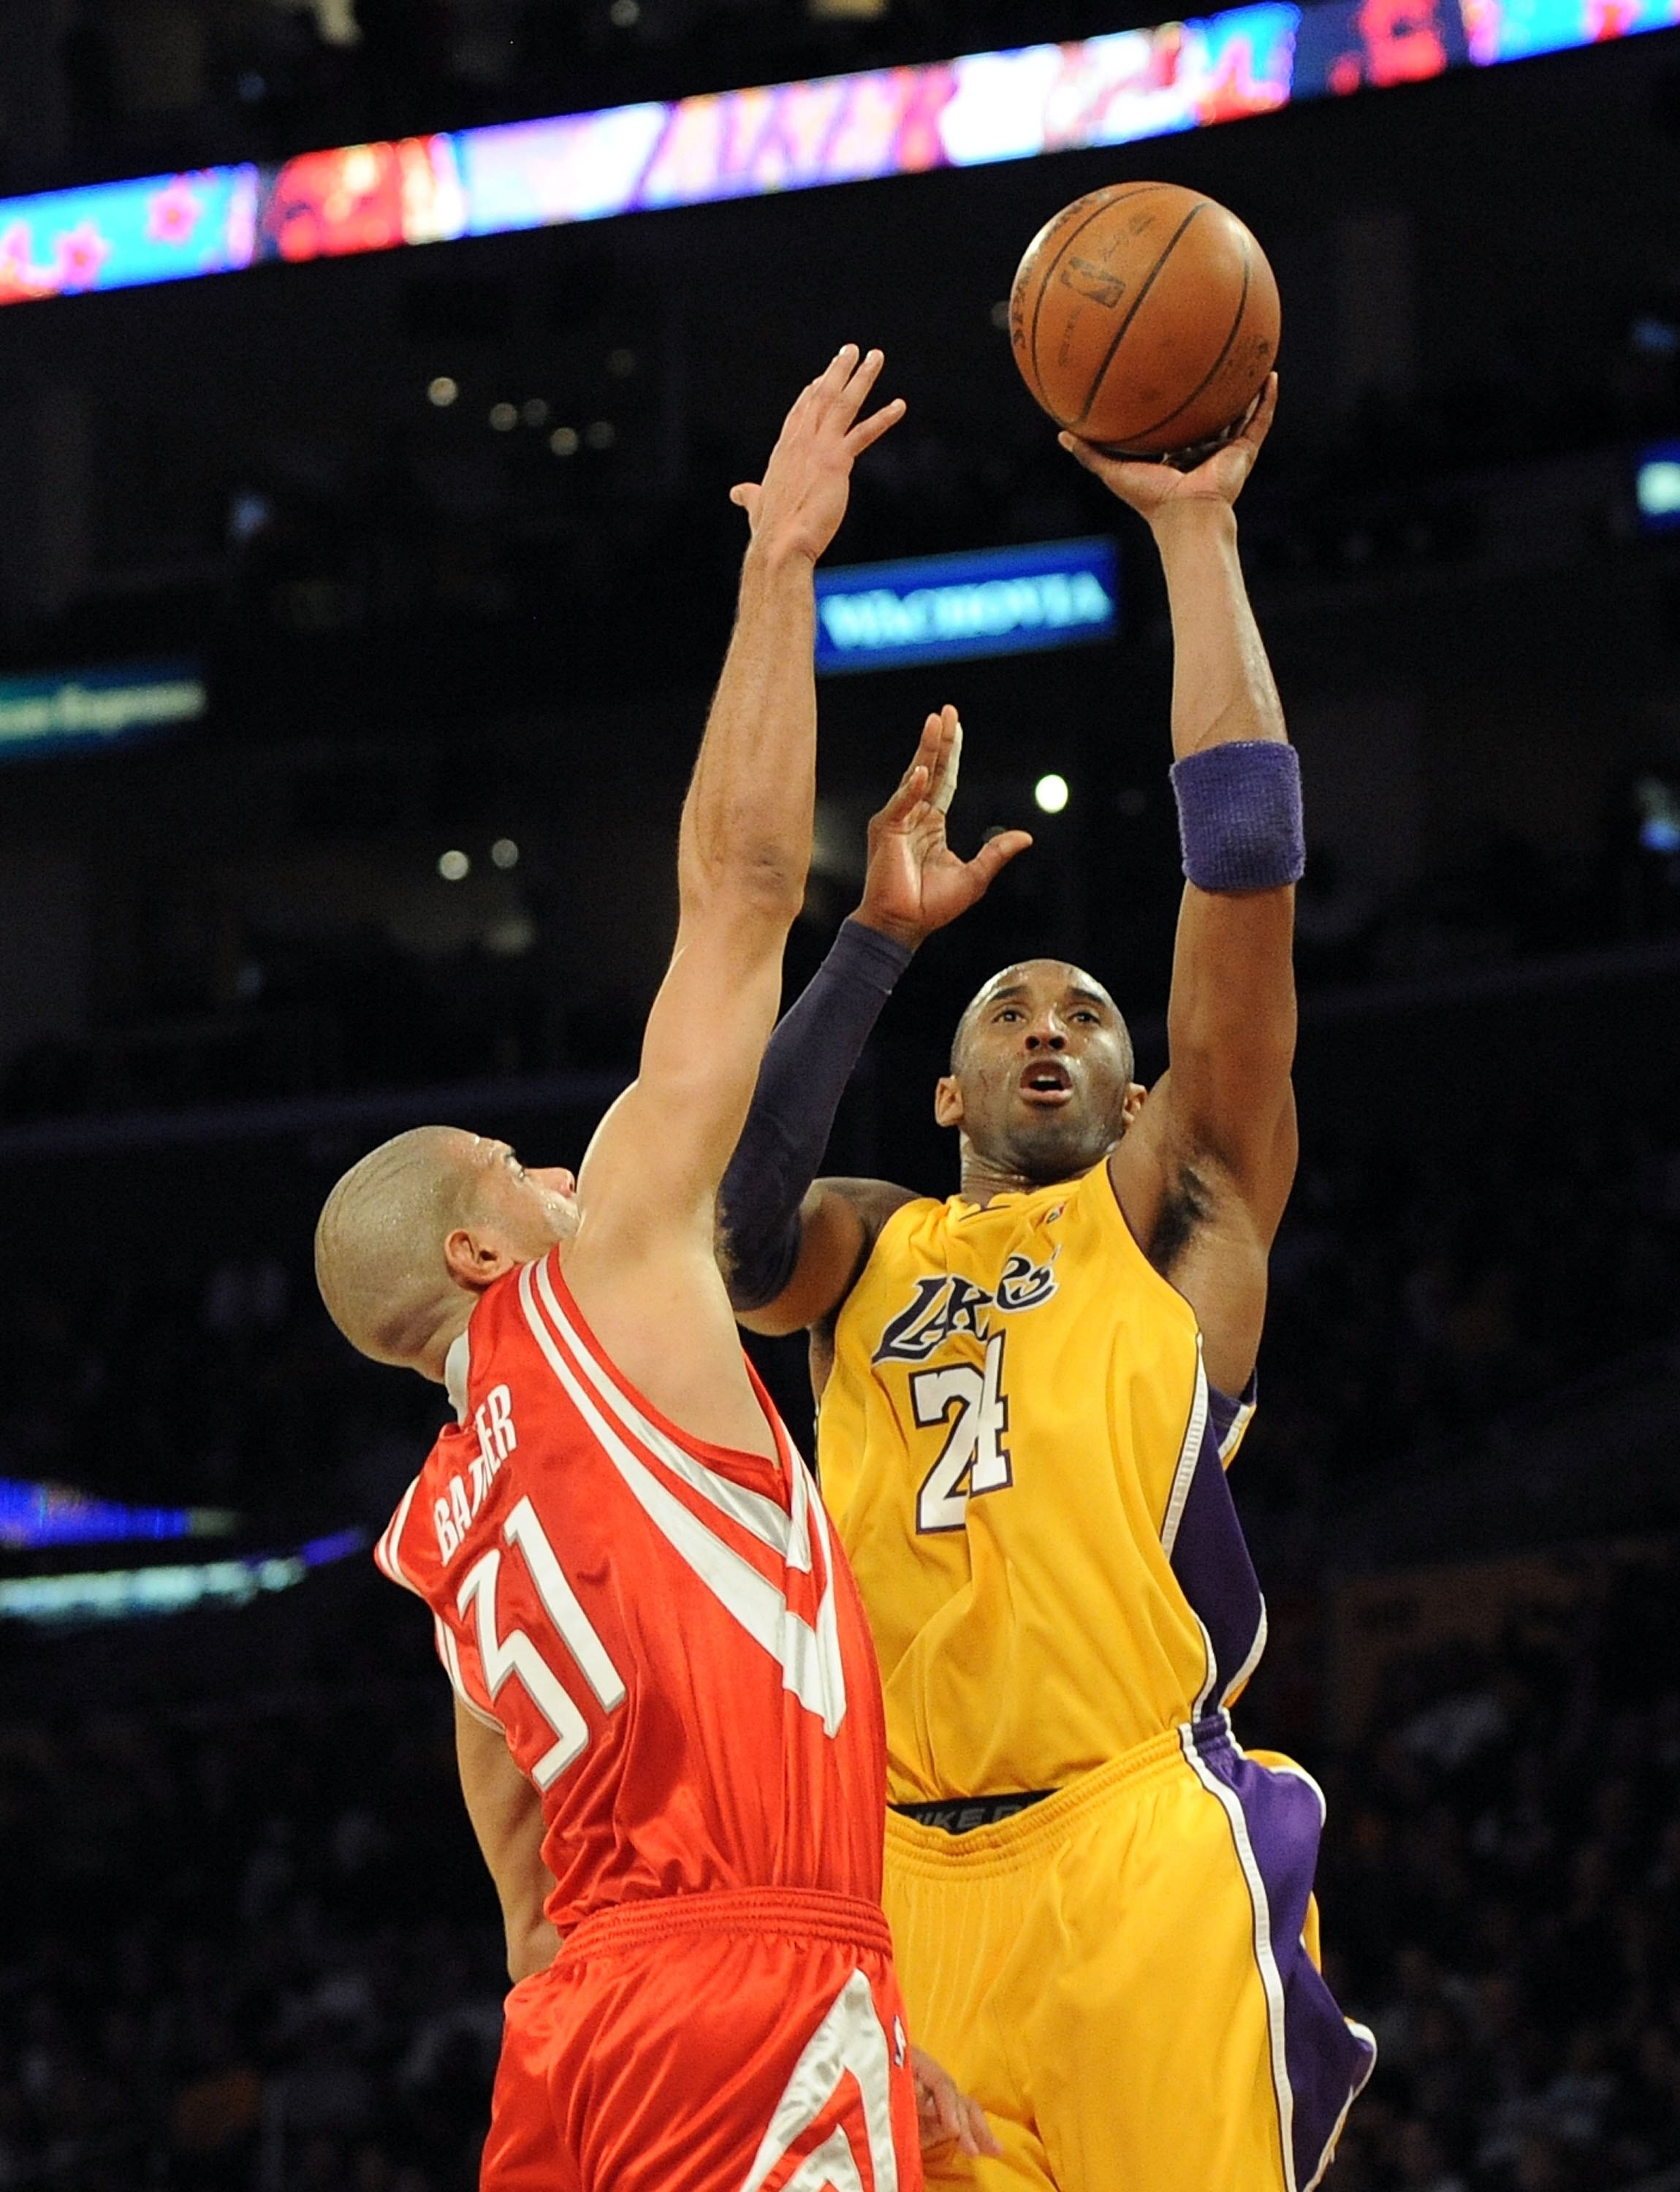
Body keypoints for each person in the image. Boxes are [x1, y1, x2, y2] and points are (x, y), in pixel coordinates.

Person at [313, 346, 993, 2192]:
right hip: (759, 1984)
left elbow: (519, 1866)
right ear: (475, 1246)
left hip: (580, 2037)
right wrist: (780, 566)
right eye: (518, 1169)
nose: (565, 1165)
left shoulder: (443, 1538)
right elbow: (738, 883)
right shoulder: (597, 1271)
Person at [718, 377, 1377, 2192]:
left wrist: (1194, 533)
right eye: (1009, 1007)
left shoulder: (1184, 1210)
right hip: (902, 1881)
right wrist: (865, 943)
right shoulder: (873, 1245)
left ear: (1135, 1087)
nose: (1049, 1026)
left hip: (1131, 1841)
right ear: (941, 1092)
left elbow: (1242, 870)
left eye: (1087, 1015)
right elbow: (741, 1240)